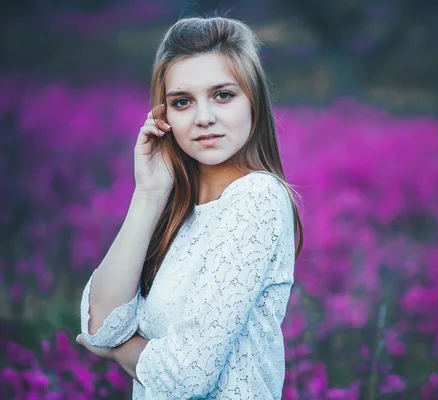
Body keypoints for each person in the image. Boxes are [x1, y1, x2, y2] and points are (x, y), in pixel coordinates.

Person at [75, 16, 303, 400]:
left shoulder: (256, 199)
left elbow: (186, 375)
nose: (203, 118)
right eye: (183, 102)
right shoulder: (177, 207)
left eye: (223, 95)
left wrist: (118, 352)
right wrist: (147, 194)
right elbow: (101, 324)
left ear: (254, 102)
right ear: (164, 118)